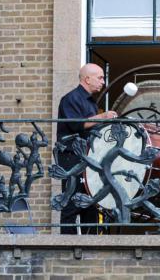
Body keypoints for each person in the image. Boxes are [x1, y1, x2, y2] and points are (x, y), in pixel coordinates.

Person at [57, 63, 117, 234]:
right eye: (100, 77)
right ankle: (67, 250)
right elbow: (76, 124)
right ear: (87, 79)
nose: (103, 82)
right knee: (71, 204)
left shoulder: (90, 102)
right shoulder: (71, 99)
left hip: (88, 160)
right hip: (72, 160)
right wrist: (104, 117)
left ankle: (90, 249)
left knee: (90, 205)